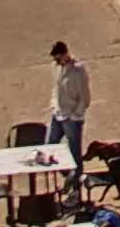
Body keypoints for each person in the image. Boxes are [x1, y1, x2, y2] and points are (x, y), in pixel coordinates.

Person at [47, 40, 90, 195]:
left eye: (58, 58)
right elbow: (56, 88)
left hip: (72, 118)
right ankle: (69, 177)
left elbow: (85, 98)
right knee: (49, 147)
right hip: (58, 114)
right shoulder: (57, 67)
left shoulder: (78, 71)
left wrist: (75, 115)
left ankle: (76, 188)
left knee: (74, 153)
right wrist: (54, 106)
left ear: (65, 54)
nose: (57, 62)